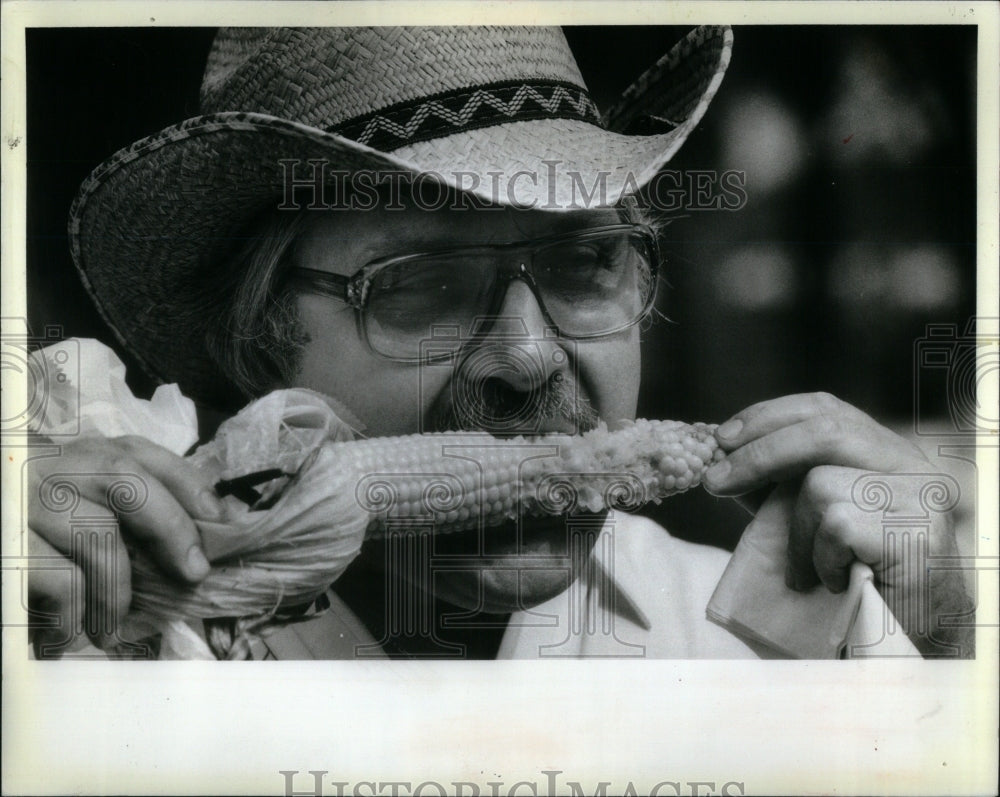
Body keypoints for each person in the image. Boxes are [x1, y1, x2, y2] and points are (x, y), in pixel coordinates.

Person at [27, 25, 973, 659]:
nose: (527, 357)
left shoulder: (805, 642)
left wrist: (951, 647)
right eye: (423, 285)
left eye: (584, 265)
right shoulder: (107, 642)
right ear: (257, 346)